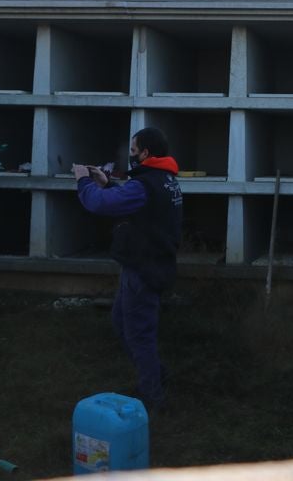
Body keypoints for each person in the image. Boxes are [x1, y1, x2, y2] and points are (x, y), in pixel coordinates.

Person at [74, 127, 182, 409]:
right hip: (145, 263)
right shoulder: (165, 179)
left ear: (146, 153)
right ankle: (156, 376)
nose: (131, 156)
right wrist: (107, 182)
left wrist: (84, 182)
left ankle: (152, 397)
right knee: (122, 323)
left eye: (134, 151)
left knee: (138, 335)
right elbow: (136, 205)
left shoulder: (145, 185)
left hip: (144, 268)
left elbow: (99, 204)